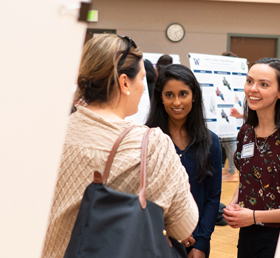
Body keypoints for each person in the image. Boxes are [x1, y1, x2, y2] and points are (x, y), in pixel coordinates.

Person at [41, 35, 198, 258]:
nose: (144, 88)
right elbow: (183, 226)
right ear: (125, 82)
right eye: (142, 78)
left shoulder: (51, 132)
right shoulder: (151, 145)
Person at [223, 57, 280, 258]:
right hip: (249, 234)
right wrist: (234, 204)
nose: (253, 89)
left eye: (263, 84)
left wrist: (254, 216)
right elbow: (246, 179)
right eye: (249, 81)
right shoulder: (246, 131)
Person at [146, 64, 222, 258]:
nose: (176, 102)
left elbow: (212, 198)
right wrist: (175, 228)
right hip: (156, 240)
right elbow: (144, 195)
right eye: (169, 95)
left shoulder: (211, 142)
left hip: (196, 243)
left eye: (183, 94)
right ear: (160, 98)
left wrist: (202, 243)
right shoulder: (147, 139)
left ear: (194, 96)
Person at [220, 51, 240, 182]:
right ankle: (229, 170)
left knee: (231, 143)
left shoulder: (235, 78)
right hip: (225, 113)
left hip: (233, 115)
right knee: (225, 143)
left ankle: (232, 171)